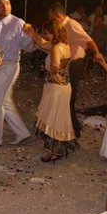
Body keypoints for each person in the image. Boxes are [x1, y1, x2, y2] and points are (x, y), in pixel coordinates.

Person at [0, 0, 36, 148]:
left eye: (7, 4)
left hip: (10, 64)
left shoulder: (18, 23)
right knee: (5, 101)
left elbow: (27, 46)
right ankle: (22, 132)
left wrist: (34, 38)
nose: (5, 7)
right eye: (1, 4)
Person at [44, 2, 102, 138]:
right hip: (68, 64)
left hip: (75, 65)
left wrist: (96, 52)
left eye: (51, 17)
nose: (50, 20)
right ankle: (68, 128)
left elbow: (88, 40)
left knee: (68, 98)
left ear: (57, 15)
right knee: (64, 97)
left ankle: (73, 130)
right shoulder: (61, 27)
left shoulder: (72, 24)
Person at [28, 20, 75, 162]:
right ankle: (60, 149)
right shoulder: (65, 45)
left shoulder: (55, 48)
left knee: (52, 120)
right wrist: (33, 34)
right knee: (60, 119)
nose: (46, 35)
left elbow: (54, 66)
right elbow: (42, 44)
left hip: (55, 88)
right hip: (65, 87)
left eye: (47, 32)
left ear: (52, 32)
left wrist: (53, 71)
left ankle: (54, 151)